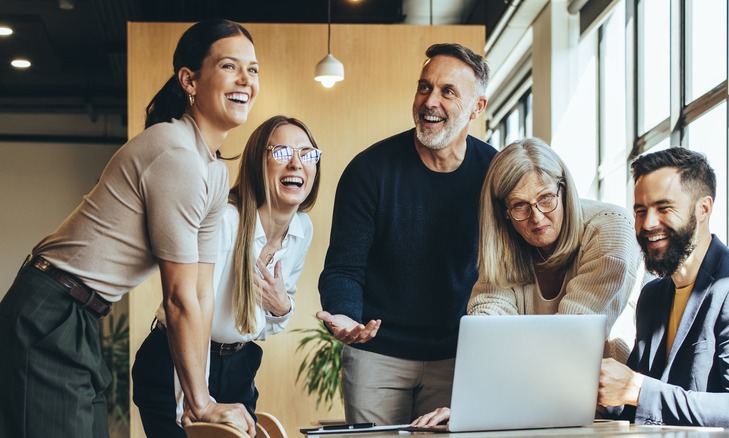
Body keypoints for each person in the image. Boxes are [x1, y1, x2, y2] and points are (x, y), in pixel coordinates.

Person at [0, 19, 259, 438]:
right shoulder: (175, 153)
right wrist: (201, 403)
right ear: (189, 80)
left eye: (253, 69)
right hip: (49, 310)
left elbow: (199, 292)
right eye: (230, 66)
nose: (245, 80)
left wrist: (199, 398)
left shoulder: (211, 172)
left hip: (79, 313)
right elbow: (176, 298)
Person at [316, 43, 496, 425]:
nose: (430, 101)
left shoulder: (495, 173)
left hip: (459, 355)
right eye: (424, 87)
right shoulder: (369, 171)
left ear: (477, 108)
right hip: (377, 355)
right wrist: (346, 316)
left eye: (448, 91)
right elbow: (344, 269)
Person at [411, 138, 643, 428]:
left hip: (612, 410)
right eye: (520, 206)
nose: (537, 217)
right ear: (504, 213)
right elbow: (489, 334)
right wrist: (472, 408)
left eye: (546, 198)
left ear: (564, 189)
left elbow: (569, 343)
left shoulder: (611, 229)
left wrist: (485, 406)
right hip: (534, 404)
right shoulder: (505, 247)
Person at [133, 116, 321, 436]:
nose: (296, 164)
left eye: (307, 154)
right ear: (256, 163)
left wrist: (281, 307)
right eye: (281, 153)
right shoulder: (226, 222)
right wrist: (193, 402)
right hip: (179, 359)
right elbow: (191, 315)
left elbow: (265, 327)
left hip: (237, 365)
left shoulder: (302, 230)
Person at [598, 147, 729, 427]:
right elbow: (634, 402)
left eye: (664, 208)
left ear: (703, 209)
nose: (648, 223)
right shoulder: (652, 294)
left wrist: (635, 389)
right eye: (640, 210)